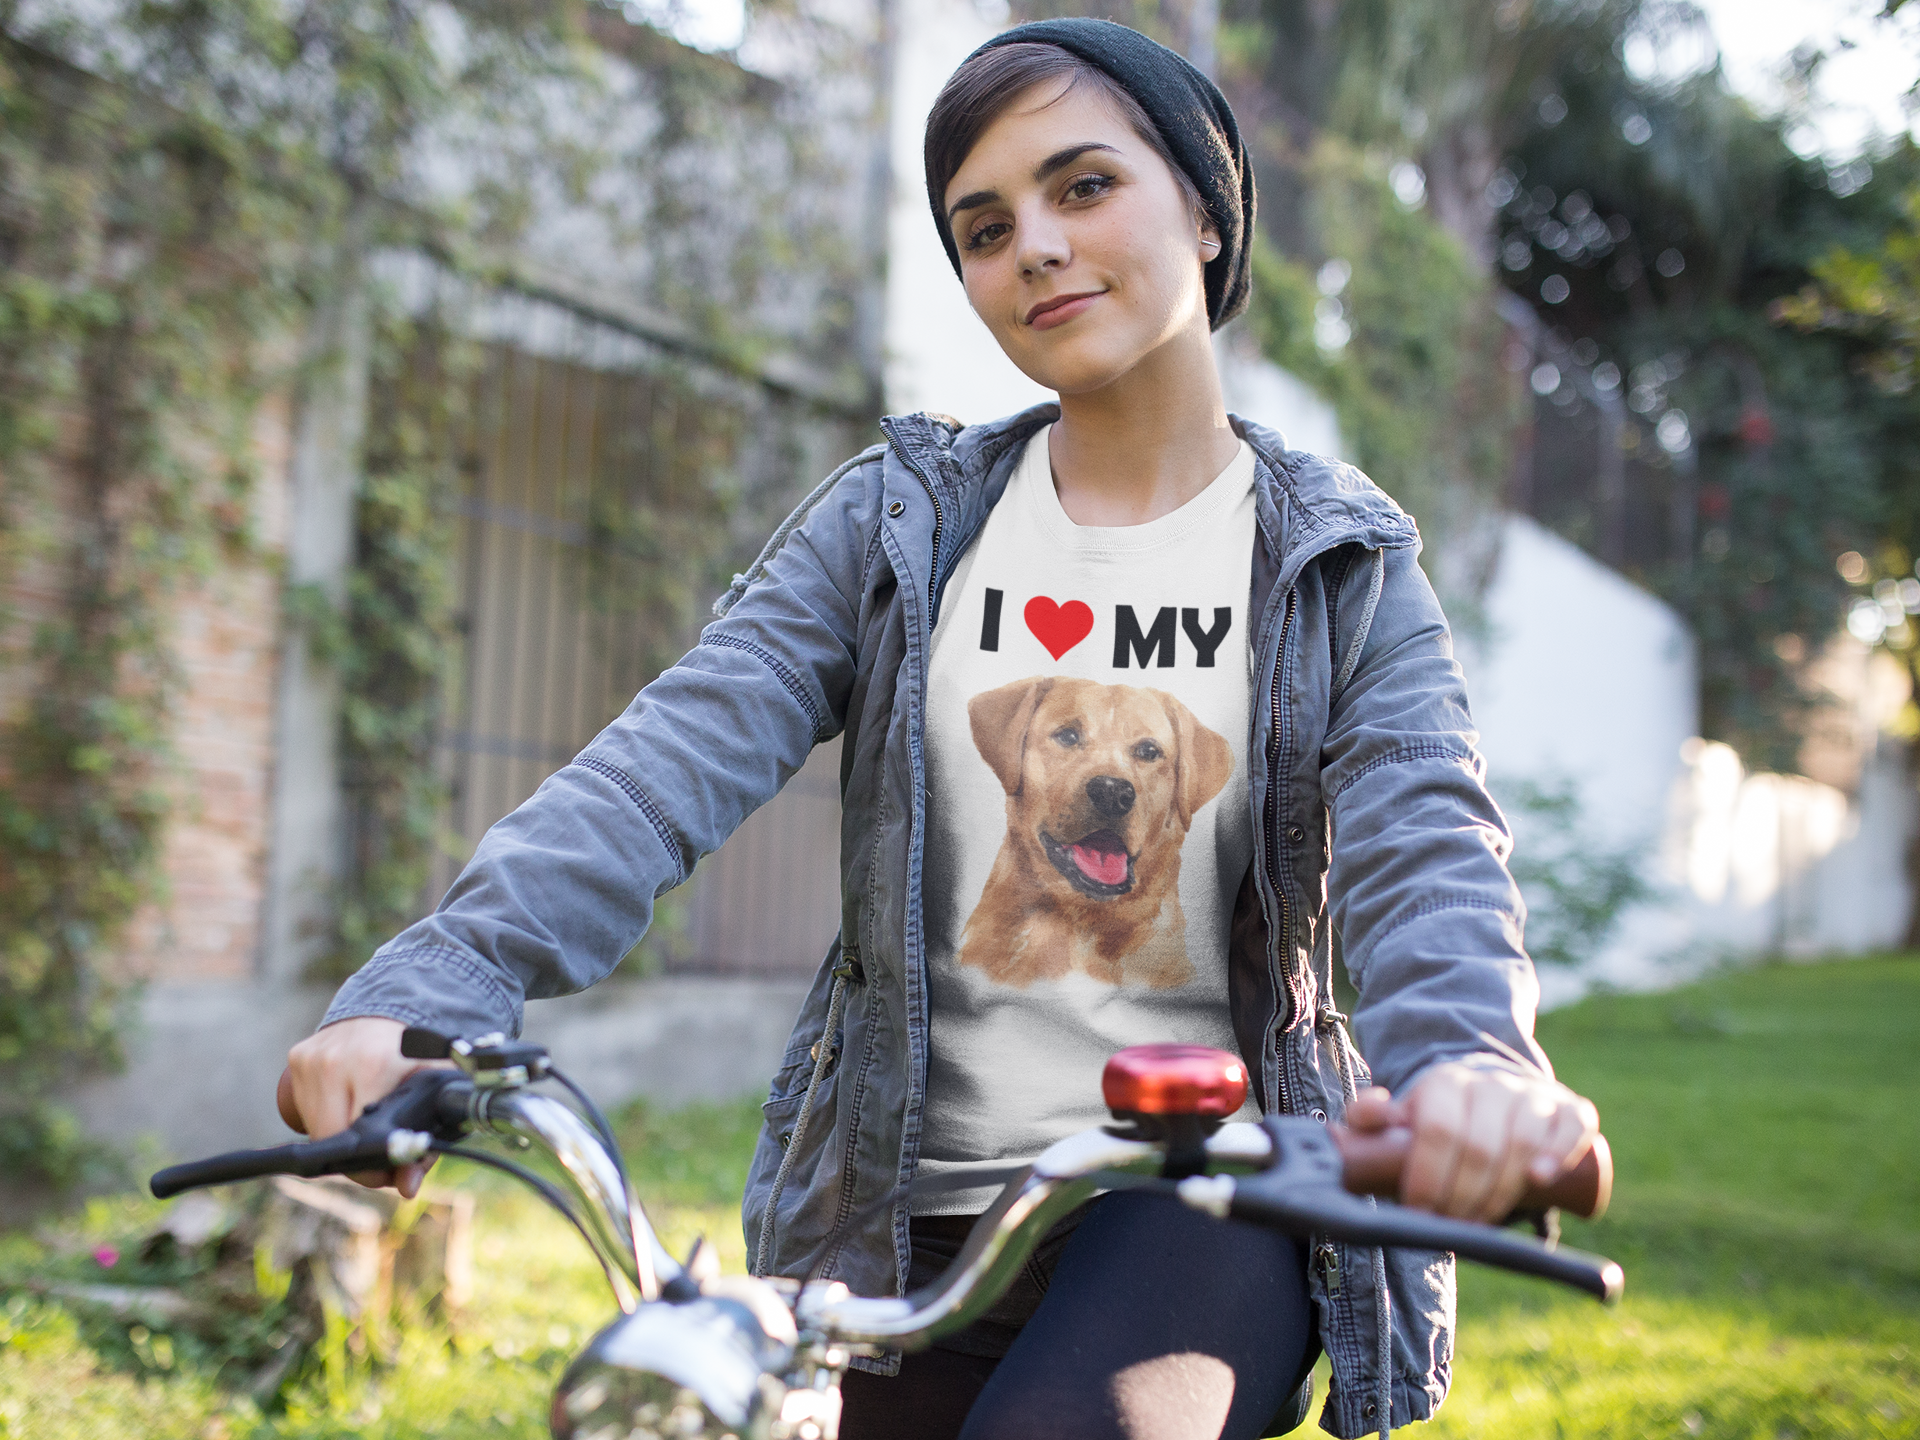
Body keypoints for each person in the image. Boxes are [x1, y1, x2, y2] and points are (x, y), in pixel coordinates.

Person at [283, 19, 1598, 1440]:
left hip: (1204, 1207)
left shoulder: (1337, 558)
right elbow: (673, 758)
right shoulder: (896, 525)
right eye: (985, 226)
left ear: (1210, 212)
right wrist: (440, 983)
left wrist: (1470, 1067)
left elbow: (1425, 834)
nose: (1032, 245)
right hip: (899, 1233)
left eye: (1083, 186)